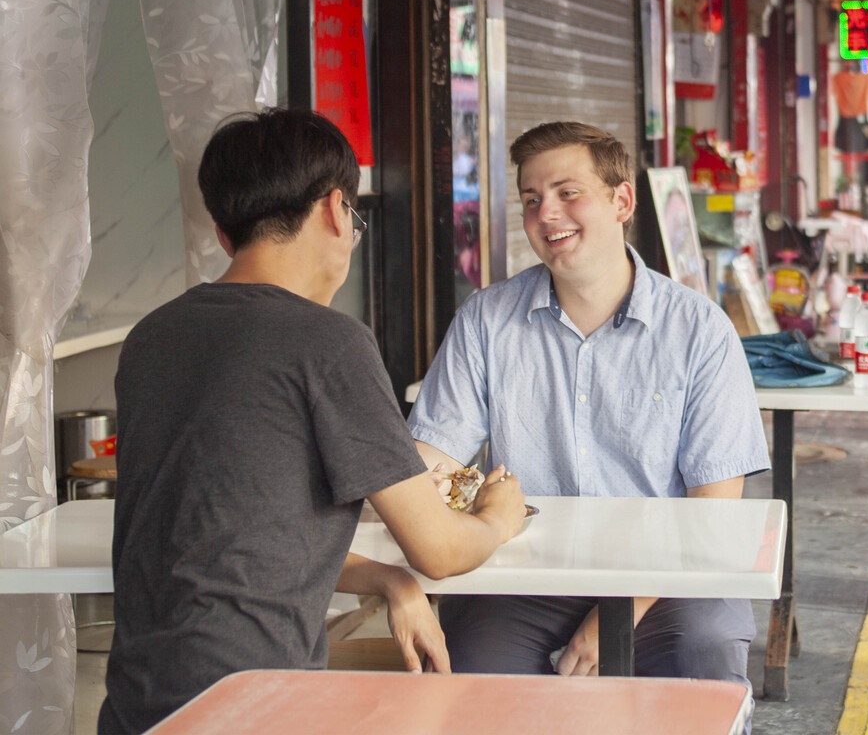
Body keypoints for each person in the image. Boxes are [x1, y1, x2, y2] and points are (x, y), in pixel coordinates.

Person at [101, 109, 529, 734]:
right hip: (252, 698)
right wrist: (499, 518)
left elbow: (232, 537)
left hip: (138, 697)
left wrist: (386, 579)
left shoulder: (153, 337)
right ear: (336, 211)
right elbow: (438, 548)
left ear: (223, 234)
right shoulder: (328, 343)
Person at [407, 122, 770, 696]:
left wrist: (620, 610)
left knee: (704, 659)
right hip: (526, 577)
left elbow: (713, 509)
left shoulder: (699, 330)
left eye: (567, 192)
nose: (547, 213)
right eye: (531, 199)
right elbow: (431, 457)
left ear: (621, 200)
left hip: (669, 578)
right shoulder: (485, 321)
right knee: (468, 669)